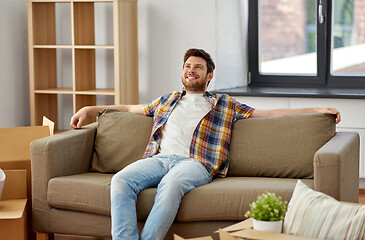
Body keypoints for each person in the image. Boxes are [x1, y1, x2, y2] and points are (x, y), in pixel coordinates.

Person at [70, 48, 341, 240]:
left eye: (197, 67)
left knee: (172, 185)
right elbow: (128, 107)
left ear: (209, 75)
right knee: (120, 181)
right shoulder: (166, 100)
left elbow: (269, 114)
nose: (191, 70)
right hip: (158, 160)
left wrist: (318, 109)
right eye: (187, 66)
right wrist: (90, 109)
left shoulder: (225, 103)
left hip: (196, 164)